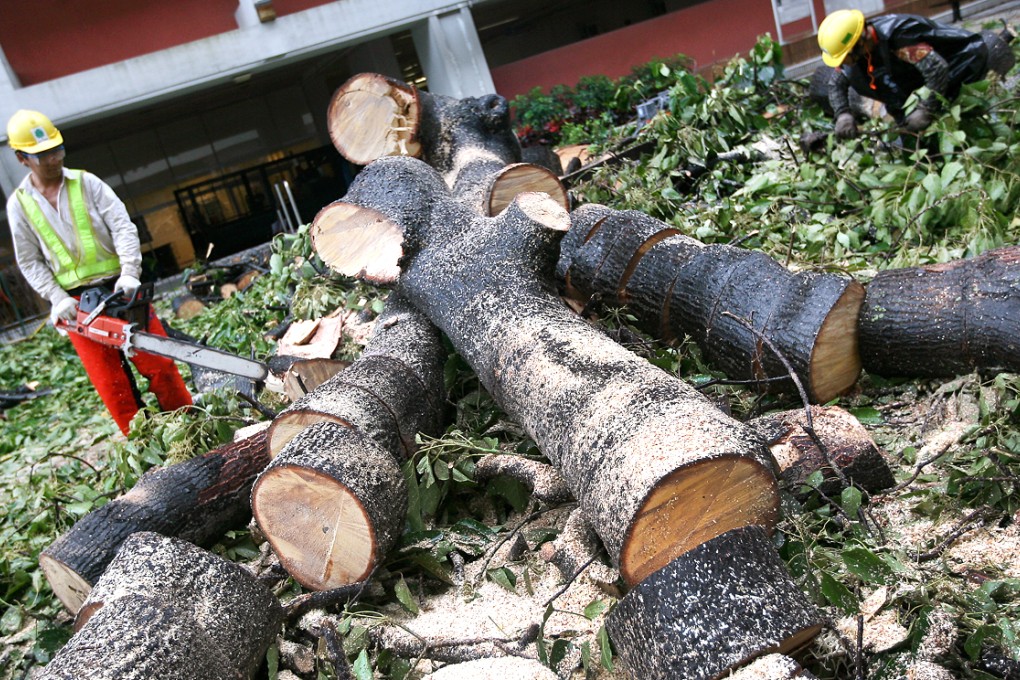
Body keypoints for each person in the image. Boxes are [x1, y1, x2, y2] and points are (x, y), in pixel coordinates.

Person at [5, 109, 192, 435]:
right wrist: (56, 297)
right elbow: (29, 260)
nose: (52, 159)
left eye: (56, 150)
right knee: (113, 385)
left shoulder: (86, 182)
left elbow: (122, 226)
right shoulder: (19, 205)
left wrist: (130, 272)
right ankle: (146, 447)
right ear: (22, 158)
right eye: (42, 155)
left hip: (120, 287)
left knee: (159, 364)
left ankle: (190, 428)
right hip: (76, 304)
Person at [817, 9, 1004, 138]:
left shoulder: (900, 38)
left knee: (975, 124)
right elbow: (836, 83)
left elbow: (937, 70)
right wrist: (843, 113)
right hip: (913, 92)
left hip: (962, 71)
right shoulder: (857, 56)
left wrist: (925, 109)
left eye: (845, 58)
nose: (844, 63)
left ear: (860, 42)